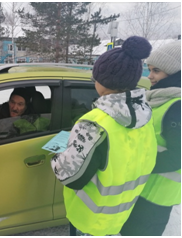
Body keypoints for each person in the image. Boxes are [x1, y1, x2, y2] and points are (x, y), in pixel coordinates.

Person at [50, 36, 158, 236]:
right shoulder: (145, 115)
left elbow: (70, 177)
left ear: (102, 80)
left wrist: (57, 156)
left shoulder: (93, 124)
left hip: (88, 219)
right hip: (119, 215)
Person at [120, 41, 181, 236]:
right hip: (141, 189)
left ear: (174, 73)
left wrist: (135, 162)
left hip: (156, 198)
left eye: (156, 71)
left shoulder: (177, 107)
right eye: (149, 70)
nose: (150, 76)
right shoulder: (158, 99)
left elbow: (177, 157)